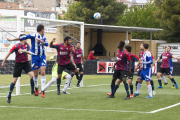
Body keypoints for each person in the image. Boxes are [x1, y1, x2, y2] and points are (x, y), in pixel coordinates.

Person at [7, 24, 48, 97]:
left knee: (43, 71)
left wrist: (41, 41)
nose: (44, 30)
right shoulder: (32, 35)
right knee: (35, 74)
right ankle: (36, 87)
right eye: (44, 29)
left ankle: (43, 90)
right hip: (34, 57)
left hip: (42, 56)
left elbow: (47, 44)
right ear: (42, 29)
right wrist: (11, 40)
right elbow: (21, 37)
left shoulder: (44, 36)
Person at [1, 34, 34, 103]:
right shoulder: (16, 46)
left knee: (32, 76)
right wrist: (3, 61)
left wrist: (24, 51)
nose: (26, 39)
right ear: (22, 39)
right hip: (18, 64)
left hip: (26, 63)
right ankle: (9, 95)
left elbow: (30, 53)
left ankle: (32, 90)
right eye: (25, 38)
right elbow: (9, 53)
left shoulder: (27, 45)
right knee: (14, 81)